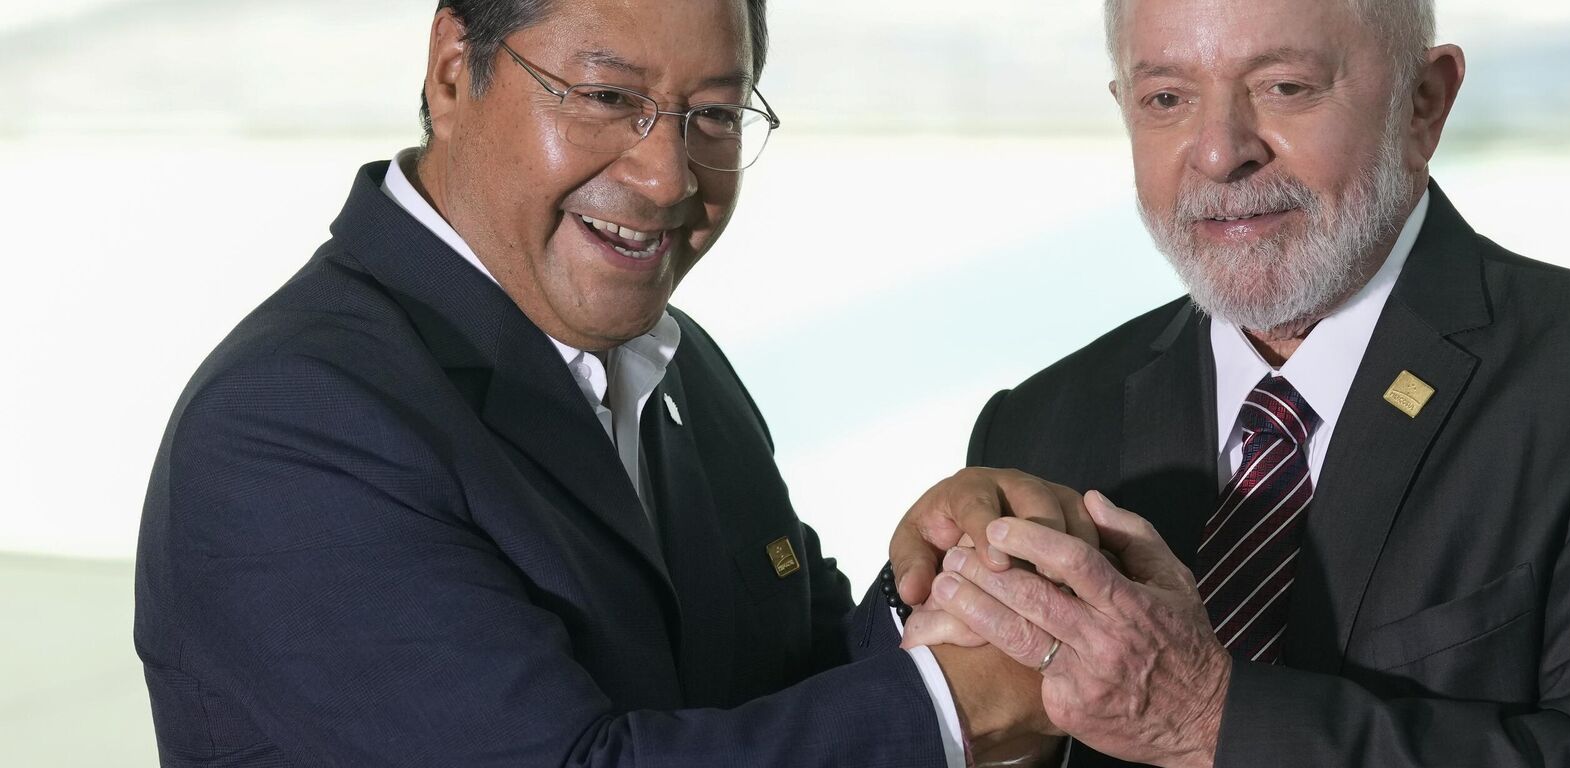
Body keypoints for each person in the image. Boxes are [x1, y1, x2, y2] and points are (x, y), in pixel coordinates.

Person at [132, 1, 1059, 765]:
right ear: (454, 71)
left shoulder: (675, 365)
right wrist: (947, 706)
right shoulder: (291, 424)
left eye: (715, 117)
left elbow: (790, 686)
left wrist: (948, 589)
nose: (667, 177)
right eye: (608, 96)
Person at [890, 0, 1570, 765]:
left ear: (1424, 103)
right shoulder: (1040, 424)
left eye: (1284, 88)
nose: (1218, 153)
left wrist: (1209, 718)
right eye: (1167, 99)